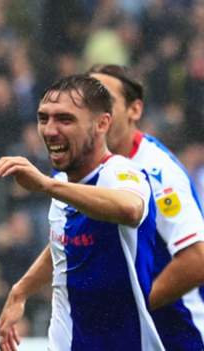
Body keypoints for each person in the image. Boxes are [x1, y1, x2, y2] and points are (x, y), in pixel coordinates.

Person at [0, 75, 164, 350]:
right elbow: (60, 245)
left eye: (65, 119)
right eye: (43, 118)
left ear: (102, 123)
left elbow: (130, 209)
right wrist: (20, 291)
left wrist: (46, 185)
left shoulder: (120, 173)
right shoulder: (62, 186)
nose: (49, 130)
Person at [88, 64, 204, 350]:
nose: (97, 112)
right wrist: (22, 290)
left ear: (134, 110)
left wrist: (132, 309)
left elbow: (197, 260)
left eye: (107, 102)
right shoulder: (81, 168)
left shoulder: (158, 172)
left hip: (179, 336)